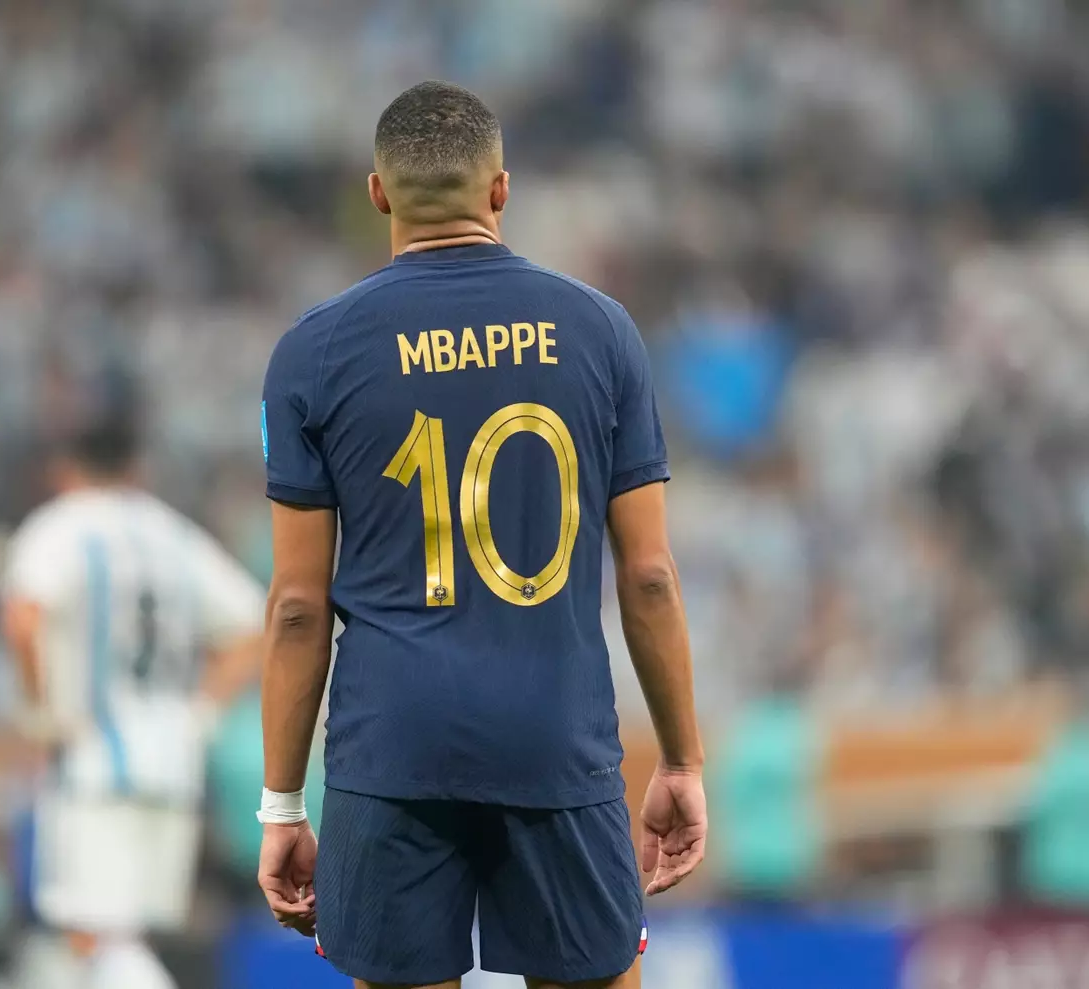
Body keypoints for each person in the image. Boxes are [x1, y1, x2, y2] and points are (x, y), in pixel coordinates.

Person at [258, 81, 707, 989]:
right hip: (557, 744)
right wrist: (683, 757)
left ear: (378, 194)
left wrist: (281, 805)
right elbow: (650, 575)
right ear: (502, 190)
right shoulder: (601, 331)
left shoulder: (312, 352)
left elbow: (299, 606)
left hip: (391, 752)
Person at [0, 413, 264, 989]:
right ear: (136, 470)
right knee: (112, 939)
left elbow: (22, 619)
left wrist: (40, 713)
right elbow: (254, 627)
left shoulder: (61, 527)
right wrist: (204, 708)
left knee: (94, 935)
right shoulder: (171, 533)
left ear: (65, 469)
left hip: (94, 763)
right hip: (175, 764)